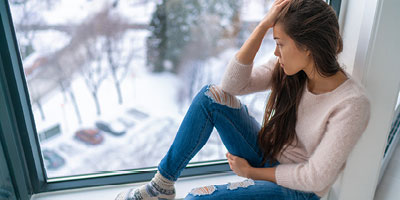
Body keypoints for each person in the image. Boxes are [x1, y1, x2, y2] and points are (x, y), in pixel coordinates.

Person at [115, 0, 371, 199]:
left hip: (297, 190)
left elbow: (315, 178)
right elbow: (231, 86)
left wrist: (251, 174)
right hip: (268, 153)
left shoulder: (351, 104)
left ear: (307, 47)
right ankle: (161, 186)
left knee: (197, 198)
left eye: (280, 43)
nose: (275, 51)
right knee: (210, 96)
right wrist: (263, 26)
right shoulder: (290, 69)